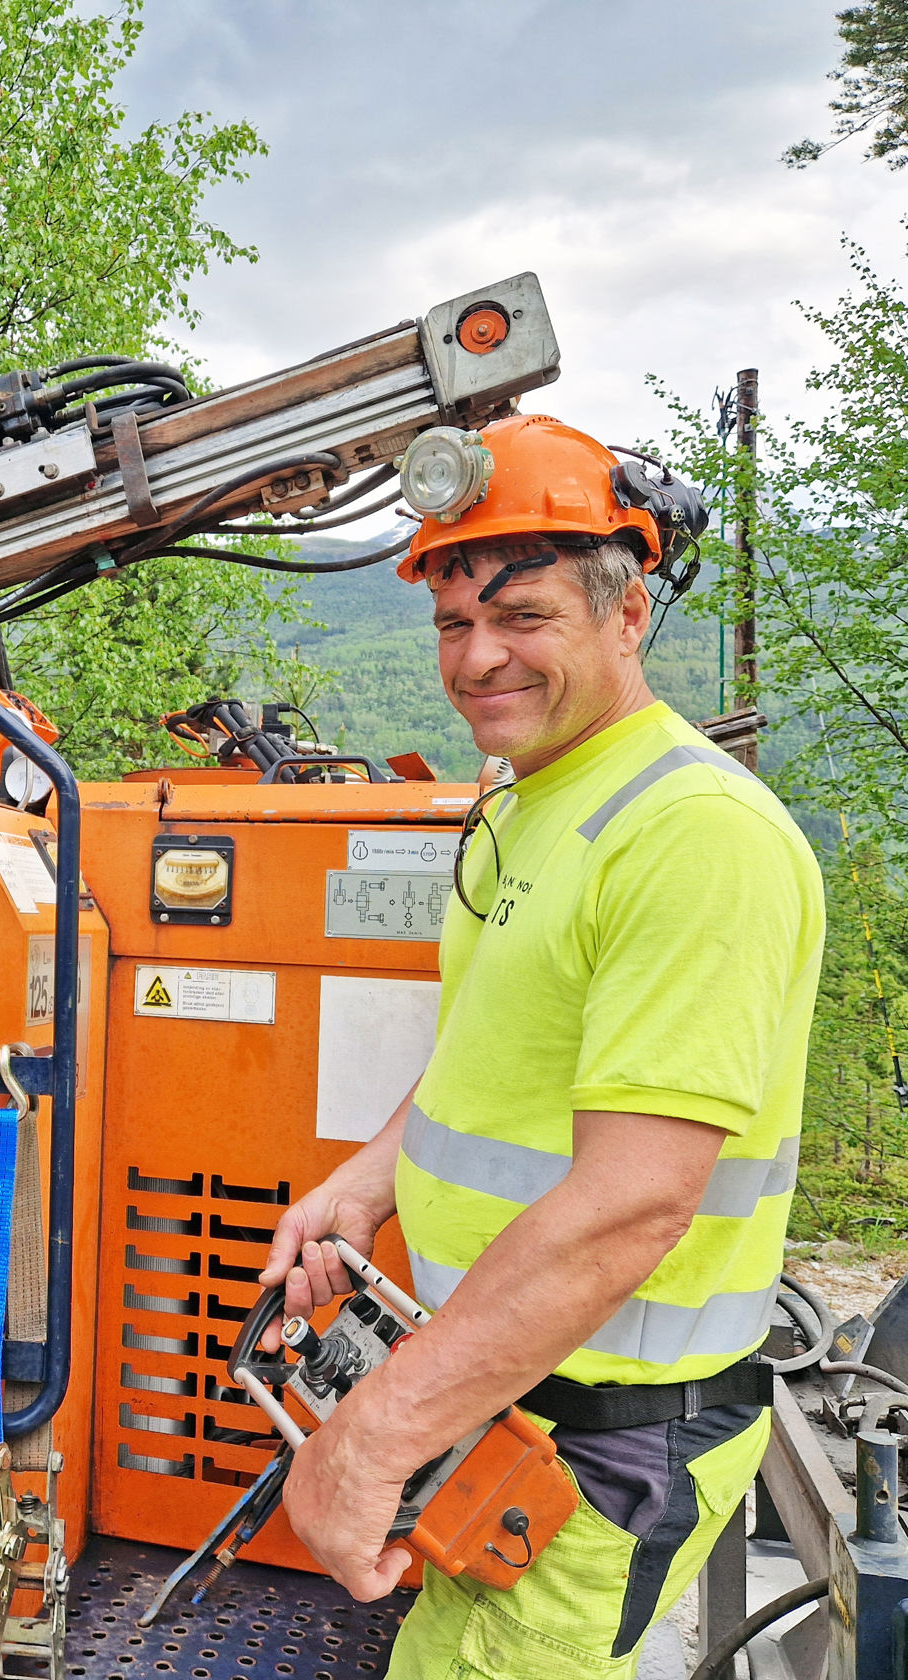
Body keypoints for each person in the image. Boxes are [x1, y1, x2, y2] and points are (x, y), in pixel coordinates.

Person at [262, 414, 825, 1678]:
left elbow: (634, 1204)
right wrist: (368, 1174)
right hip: (503, 1404)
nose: (479, 658)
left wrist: (372, 1437)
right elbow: (496, 1045)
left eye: (524, 615)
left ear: (629, 615)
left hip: (600, 1453)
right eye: (455, 624)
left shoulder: (692, 837)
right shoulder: (531, 795)